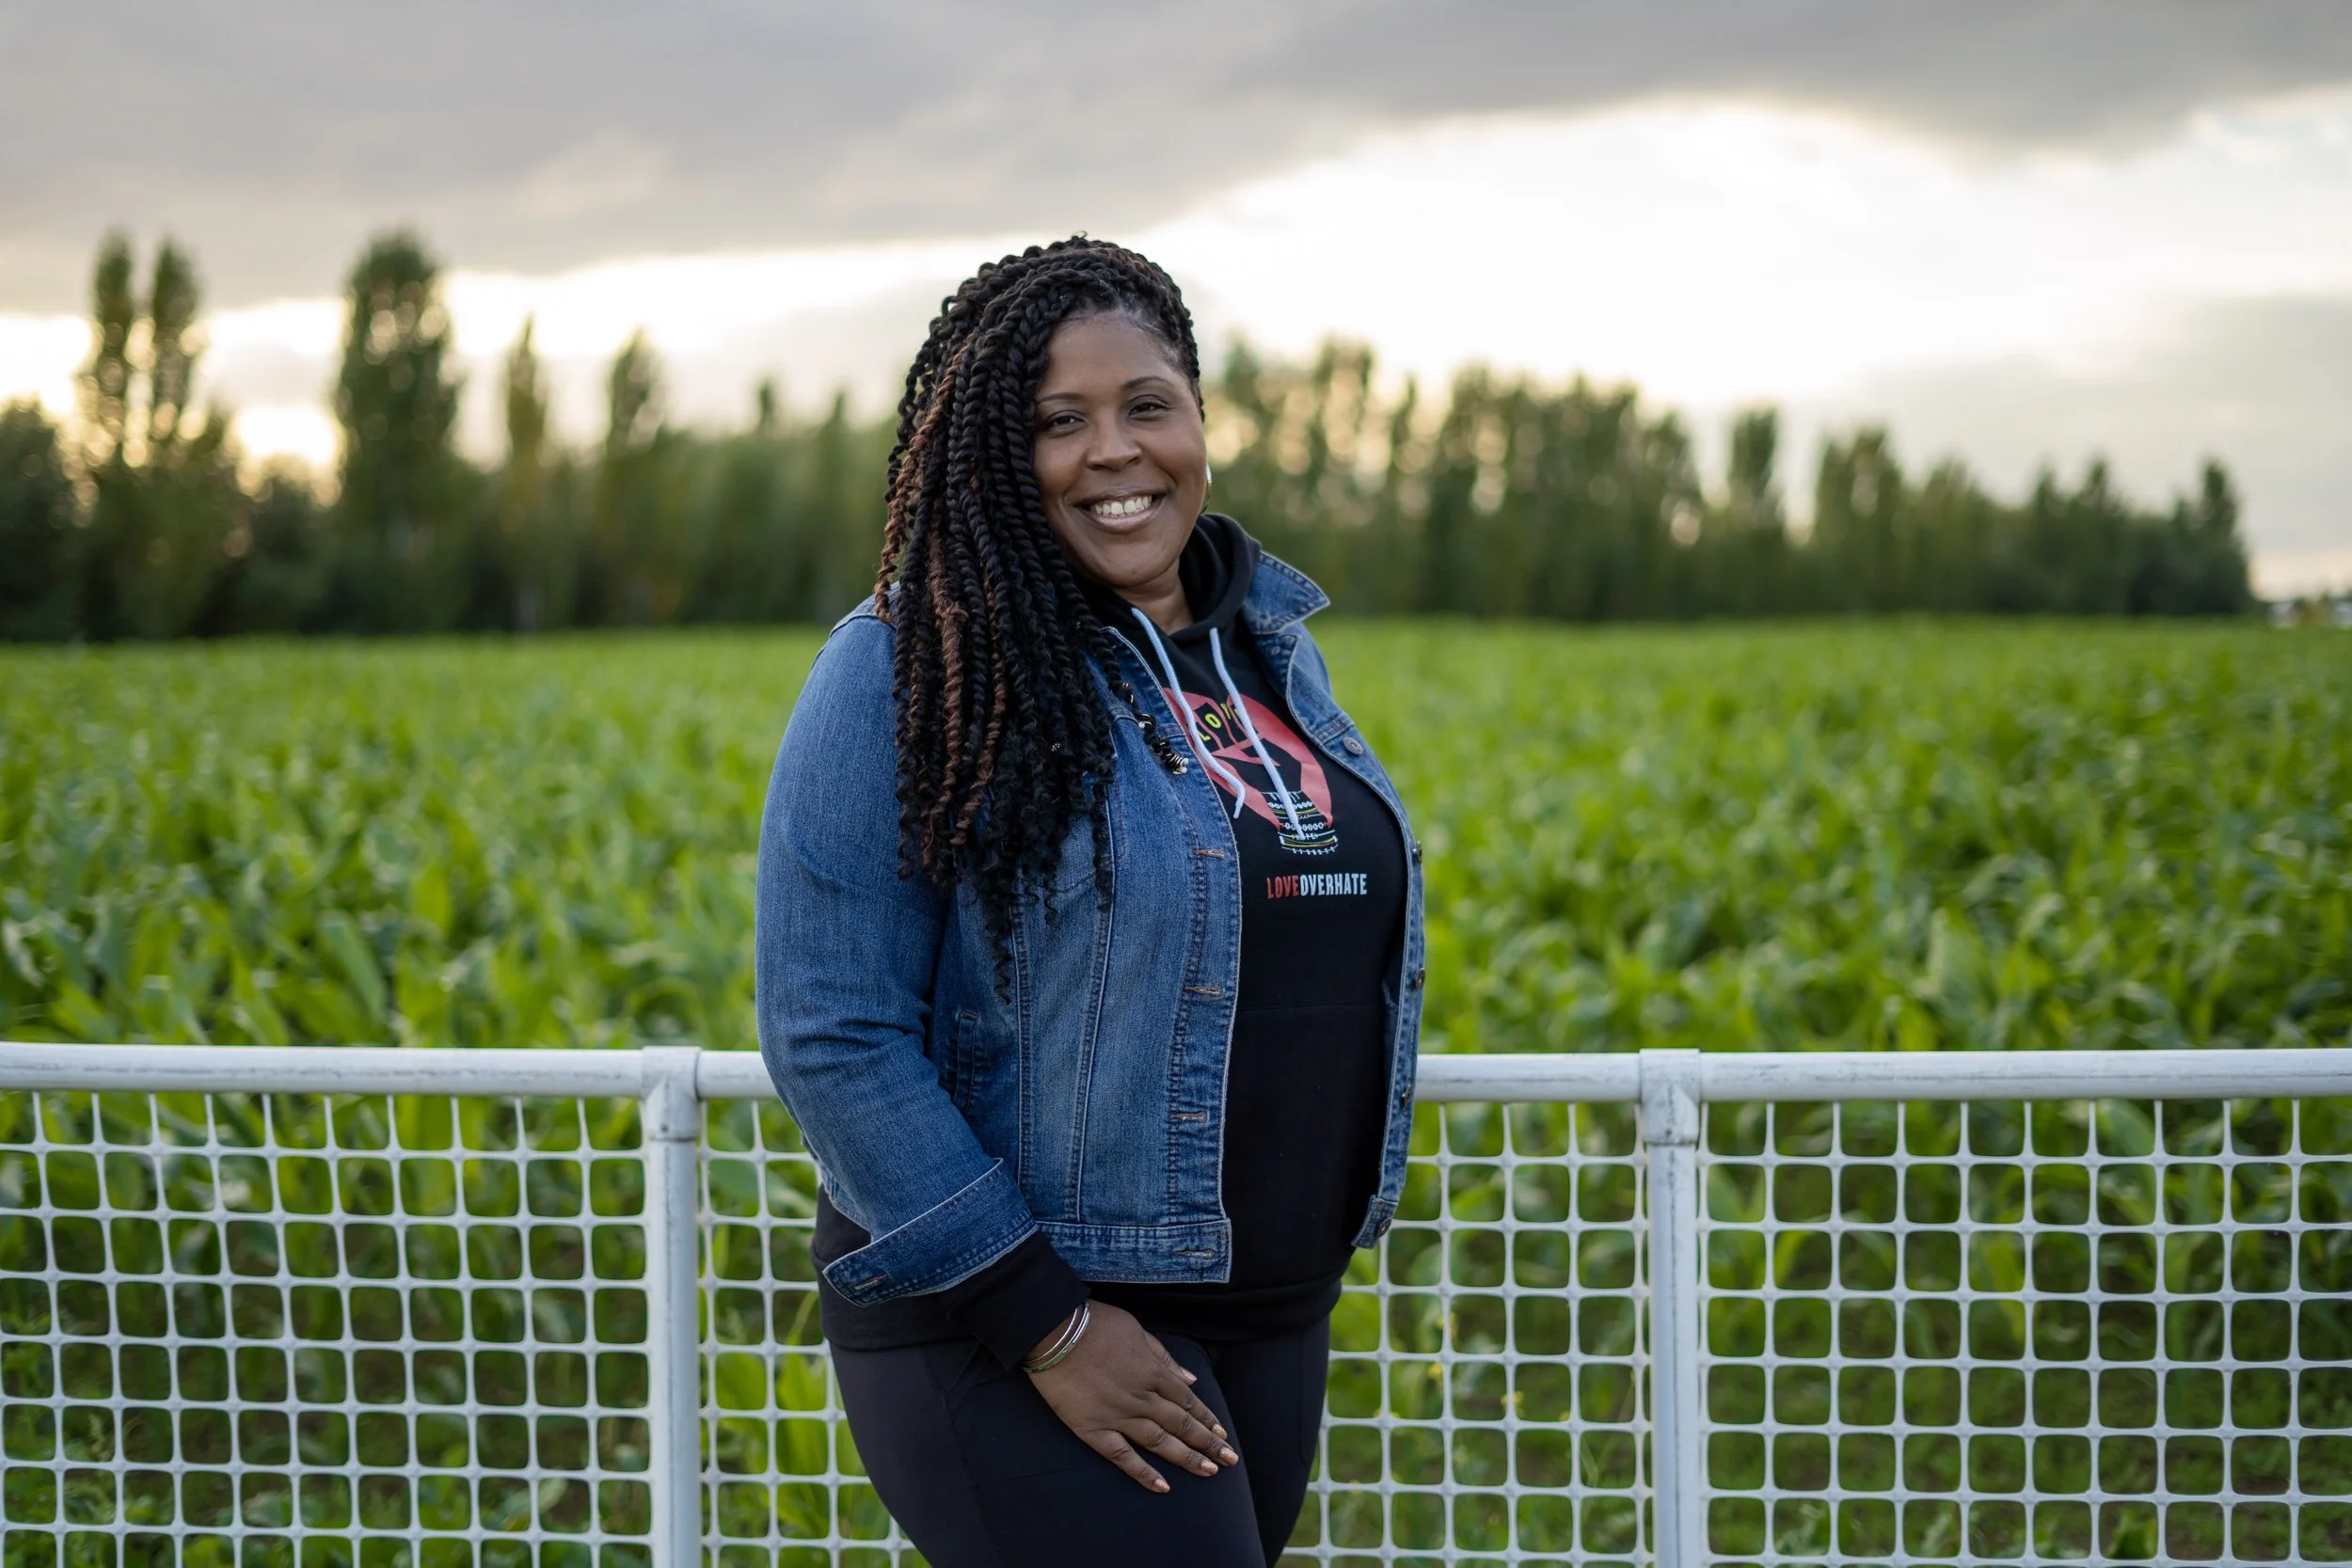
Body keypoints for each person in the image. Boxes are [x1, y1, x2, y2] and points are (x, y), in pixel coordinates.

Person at [755, 237, 1425, 1567]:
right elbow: (833, 1026)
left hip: (1272, 1305)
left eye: (1147, 405)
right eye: (1057, 421)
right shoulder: (906, 665)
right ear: (998, 458)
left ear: (1200, 422)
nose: (1113, 451)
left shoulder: (1271, 652)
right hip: (1027, 1313)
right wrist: (1047, 1320)